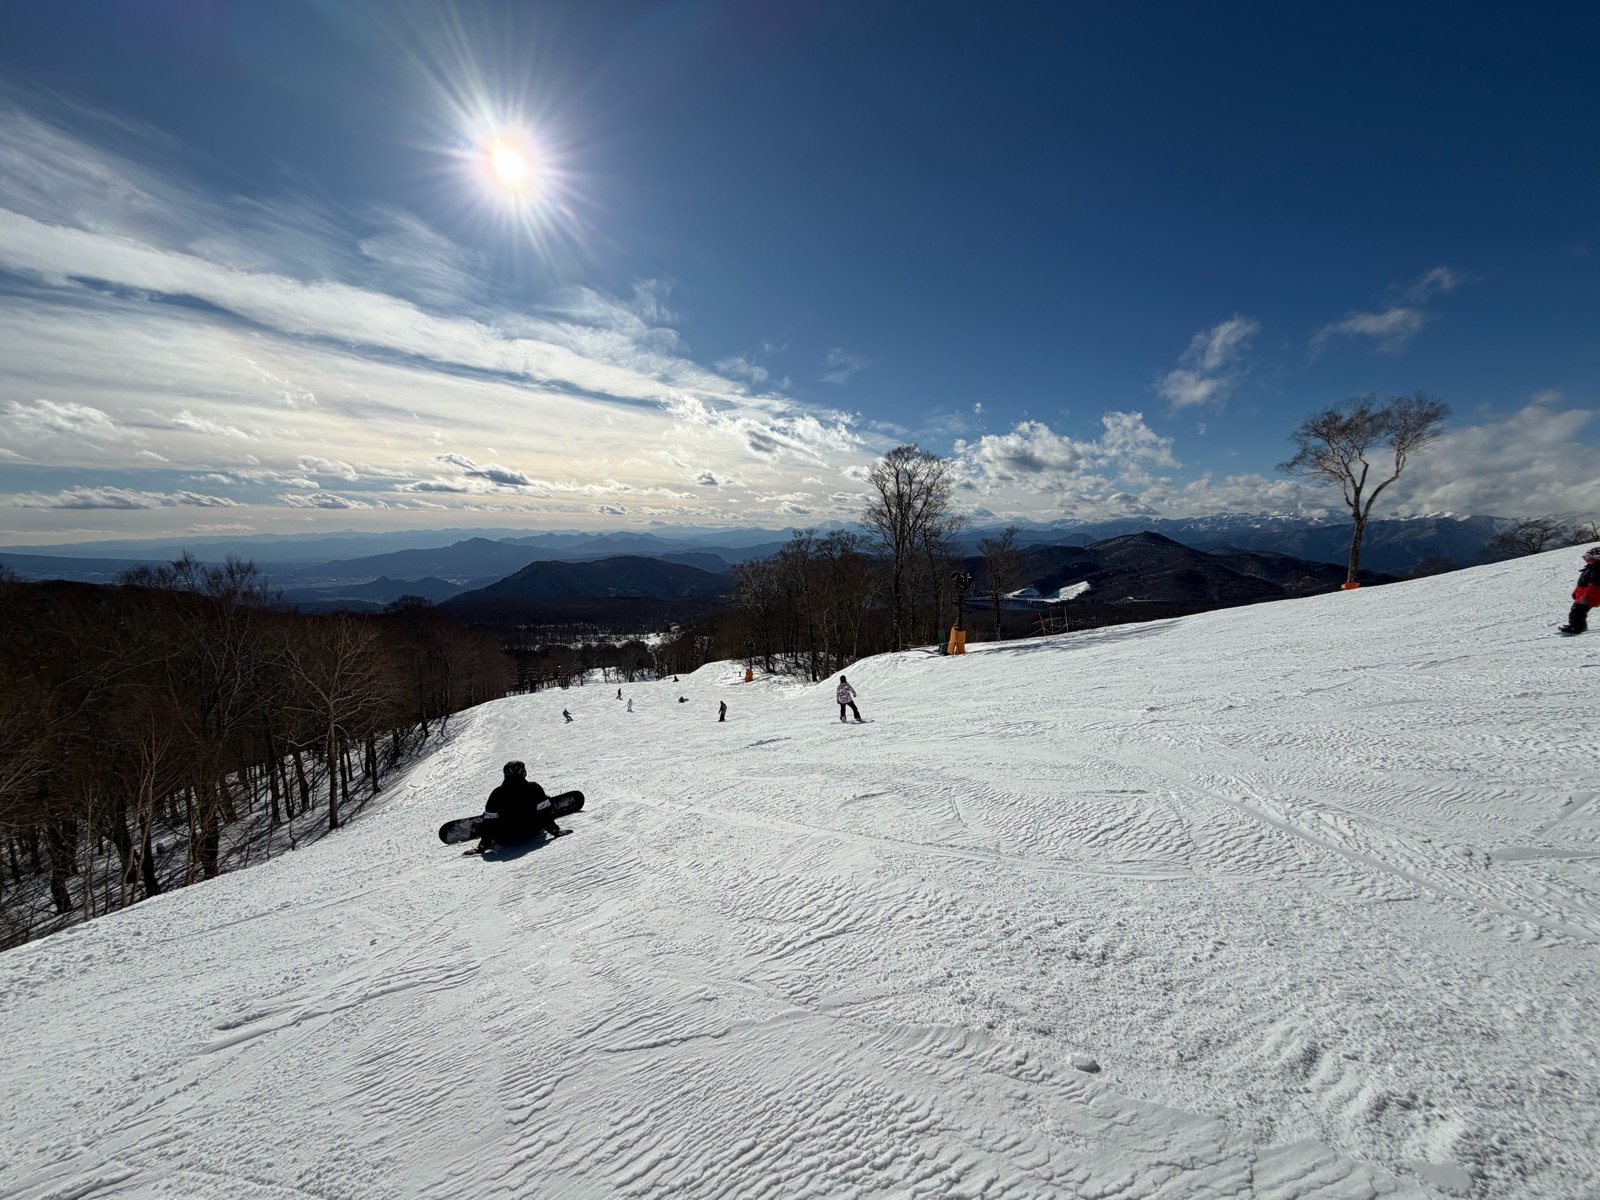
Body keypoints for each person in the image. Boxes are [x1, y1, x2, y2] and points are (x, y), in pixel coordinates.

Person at [472, 760, 565, 853]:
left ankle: (486, 824)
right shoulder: (534, 788)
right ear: (524, 772)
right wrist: (555, 831)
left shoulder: (496, 794)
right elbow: (544, 814)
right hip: (531, 831)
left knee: (489, 815)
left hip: (506, 837)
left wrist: (482, 847)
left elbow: (490, 824)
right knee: (543, 804)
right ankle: (548, 803)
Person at [1558, 545, 1600, 634]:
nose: (1586, 560)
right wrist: (1576, 592)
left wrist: (1586, 596)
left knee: (1577, 612)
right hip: (1583, 594)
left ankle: (1577, 628)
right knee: (1576, 611)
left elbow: (1594, 585)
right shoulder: (1591, 567)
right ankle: (1576, 625)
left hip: (1590, 595)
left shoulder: (1597, 569)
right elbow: (1582, 583)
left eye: (1588, 557)